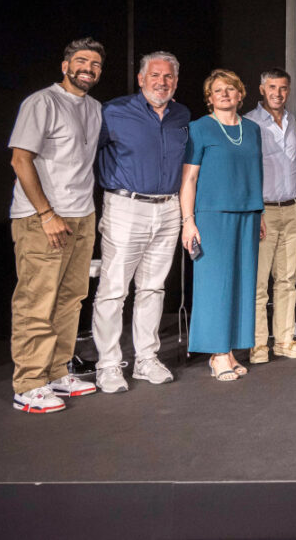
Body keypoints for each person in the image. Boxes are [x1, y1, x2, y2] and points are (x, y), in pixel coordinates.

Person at [8, 37, 105, 413]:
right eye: (81, 61)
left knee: (70, 299)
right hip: (42, 219)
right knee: (37, 300)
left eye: (95, 64)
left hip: (82, 216)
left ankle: (56, 372)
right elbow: (20, 159)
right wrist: (46, 214)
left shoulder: (94, 107)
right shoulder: (42, 102)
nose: (88, 68)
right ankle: (29, 384)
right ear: (65, 66)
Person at [92, 51, 190, 393]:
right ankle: (108, 365)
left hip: (168, 208)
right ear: (141, 79)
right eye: (155, 75)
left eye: (168, 76)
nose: (161, 82)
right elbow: (87, 153)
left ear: (176, 81)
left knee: (153, 288)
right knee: (114, 290)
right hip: (125, 206)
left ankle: (146, 359)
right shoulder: (113, 111)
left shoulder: (181, 115)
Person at [180, 69, 265, 382]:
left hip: (248, 213)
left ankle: (229, 350)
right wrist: (188, 221)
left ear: (240, 94)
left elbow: (256, 173)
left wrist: (260, 212)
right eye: (218, 90)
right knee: (215, 284)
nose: (225, 94)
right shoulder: (199, 128)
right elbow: (189, 179)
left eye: (230, 89)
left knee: (242, 284)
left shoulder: (252, 129)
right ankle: (216, 354)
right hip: (212, 215)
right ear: (210, 98)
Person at [244, 69, 296, 364]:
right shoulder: (249, 123)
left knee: (287, 280)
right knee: (259, 284)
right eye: (272, 87)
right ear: (261, 89)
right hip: (264, 210)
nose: (278, 93)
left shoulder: (293, 121)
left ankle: (284, 340)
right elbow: (246, 170)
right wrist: (254, 210)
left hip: (293, 208)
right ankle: (258, 344)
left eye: (283, 88)